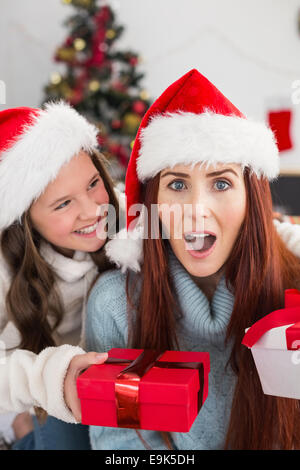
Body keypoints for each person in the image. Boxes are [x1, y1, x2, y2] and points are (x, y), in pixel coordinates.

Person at [86, 69, 300, 450]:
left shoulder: (294, 284)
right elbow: (121, 444)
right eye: (178, 184)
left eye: (221, 183)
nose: (196, 210)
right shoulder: (115, 305)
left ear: (252, 200)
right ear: (153, 203)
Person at [0, 101, 123, 449]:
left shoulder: (124, 214)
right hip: (44, 387)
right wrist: (46, 382)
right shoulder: (5, 269)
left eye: (93, 184)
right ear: (25, 220)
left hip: (109, 381)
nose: (92, 210)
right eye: (63, 204)